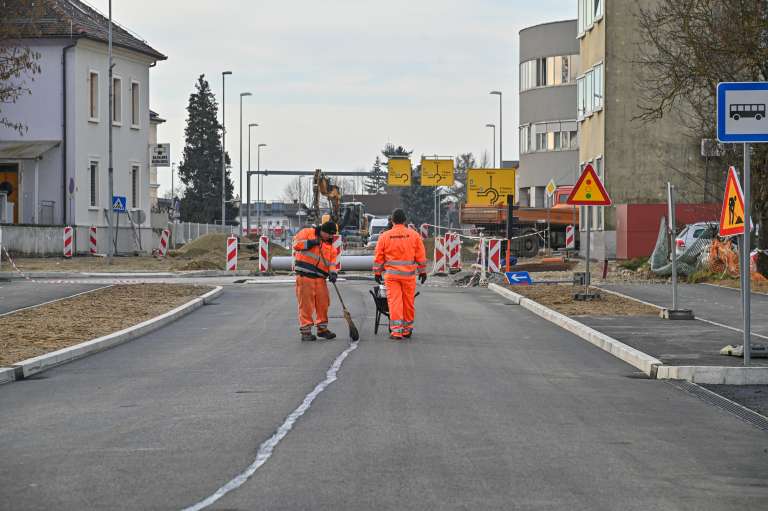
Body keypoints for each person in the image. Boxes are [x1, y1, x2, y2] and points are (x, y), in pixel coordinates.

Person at [373, 209, 427, 340]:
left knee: (395, 302)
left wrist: (377, 272)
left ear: (392, 221)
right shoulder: (414, 235)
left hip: (392, 276)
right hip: (408, 276)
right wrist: (422, 271)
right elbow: (420, 256)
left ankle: (396, 331)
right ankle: (407, 330)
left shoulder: (385, 236)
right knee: (408, 302)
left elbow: (379, 256)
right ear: (405, 221)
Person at [293, 221, 339, 341]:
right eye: (329, 234)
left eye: (332, 235)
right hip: (305, 276)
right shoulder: (307, 232)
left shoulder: (330, 247)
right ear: (322, 231)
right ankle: (306, 331)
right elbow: (297, 245)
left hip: (320, 279)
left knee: (323, 304)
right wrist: (311, 243)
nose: (330, 237)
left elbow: (332, 263)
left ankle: (322, 329)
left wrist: (333, 273)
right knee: (306, 305)